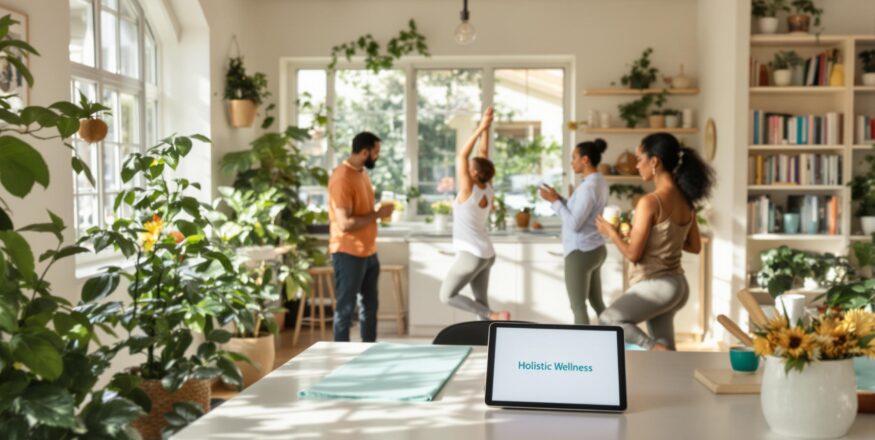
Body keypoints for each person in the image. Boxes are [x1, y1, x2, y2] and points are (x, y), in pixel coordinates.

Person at [596, 133, 714, 351]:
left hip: (657, 284)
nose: (636, 166)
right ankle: (672, 377)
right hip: (678, 285)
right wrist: (655, 237)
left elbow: (633, 254)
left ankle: (652, 348)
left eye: (639, 159)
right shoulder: (685, 200)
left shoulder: (650, 202)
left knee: (607, 320)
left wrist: (611, 233)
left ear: (654, 162)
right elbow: (694, 246)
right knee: (666, 348)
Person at [438, 107, 511, 321]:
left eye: (470, 168)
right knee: (480, 304)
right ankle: (491, 343)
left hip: (471, 254)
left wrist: (480, 128)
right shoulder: (487, 186)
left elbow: (462, 154)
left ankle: (493, 315)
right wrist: (486, 126)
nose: (466, 169)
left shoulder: (469, 190)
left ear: (475, 173)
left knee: (447, 295)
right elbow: (484, 154)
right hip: (486, 254)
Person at [328, 131, 394, 342]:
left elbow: (361, 211)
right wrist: (377, 214)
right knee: (346, 309)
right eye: (376, 152)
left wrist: (376, 213)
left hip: (368, 251)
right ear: (364, 152)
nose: (377, 156)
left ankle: (369, 352)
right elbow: (344, 223)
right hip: (348, 252)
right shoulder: (342, 178)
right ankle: (340, 357)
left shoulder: (362, 173)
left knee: (370, 307)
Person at [539, 139, 609, 325]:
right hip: (595, 249)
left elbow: (574, 223)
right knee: (597, 303)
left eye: (574, 158)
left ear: (585, 160)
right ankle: (620, 341)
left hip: (581, 252)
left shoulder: (588, 187)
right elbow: (581, 211)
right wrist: (559, 199)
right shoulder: (599, 182)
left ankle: (584, 350)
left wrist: (554, 202)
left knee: (578, 306)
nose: (572, 162)